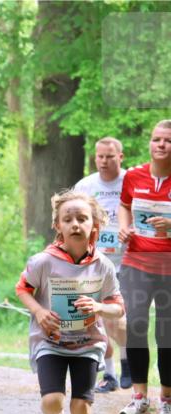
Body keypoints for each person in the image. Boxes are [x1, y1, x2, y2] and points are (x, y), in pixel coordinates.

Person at [15, 191, 123, 414]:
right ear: (58, 226)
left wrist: (99, 307)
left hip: (88, 343)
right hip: (50, 340)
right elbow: (22, 289)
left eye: (82, 218)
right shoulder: (43, 261)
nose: (75, 224)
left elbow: (118, 306)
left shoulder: (104, 266)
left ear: (94, 225)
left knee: (82, 405)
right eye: (68, 219)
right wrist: (39, 311)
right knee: (53, 401)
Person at [115, 120, 171, 414]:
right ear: (150, 143)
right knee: (134, 325)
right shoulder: (134, 176)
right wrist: (124, 228)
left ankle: (167, 400)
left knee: (167, 332)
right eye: (156, 139)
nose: (161, 145)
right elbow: (124, 205)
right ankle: (139, 398)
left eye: (168, 141)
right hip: (137, 263)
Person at [74, 137, 130, 392]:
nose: (104, 161)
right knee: (95, 318)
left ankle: (128, 360)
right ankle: (110, 374)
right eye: (100, 157)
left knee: (118, 321)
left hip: (129, 261)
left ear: (121, 156)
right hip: (95, 263)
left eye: (109, 156)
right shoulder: (85, 186)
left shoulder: (132, 181)